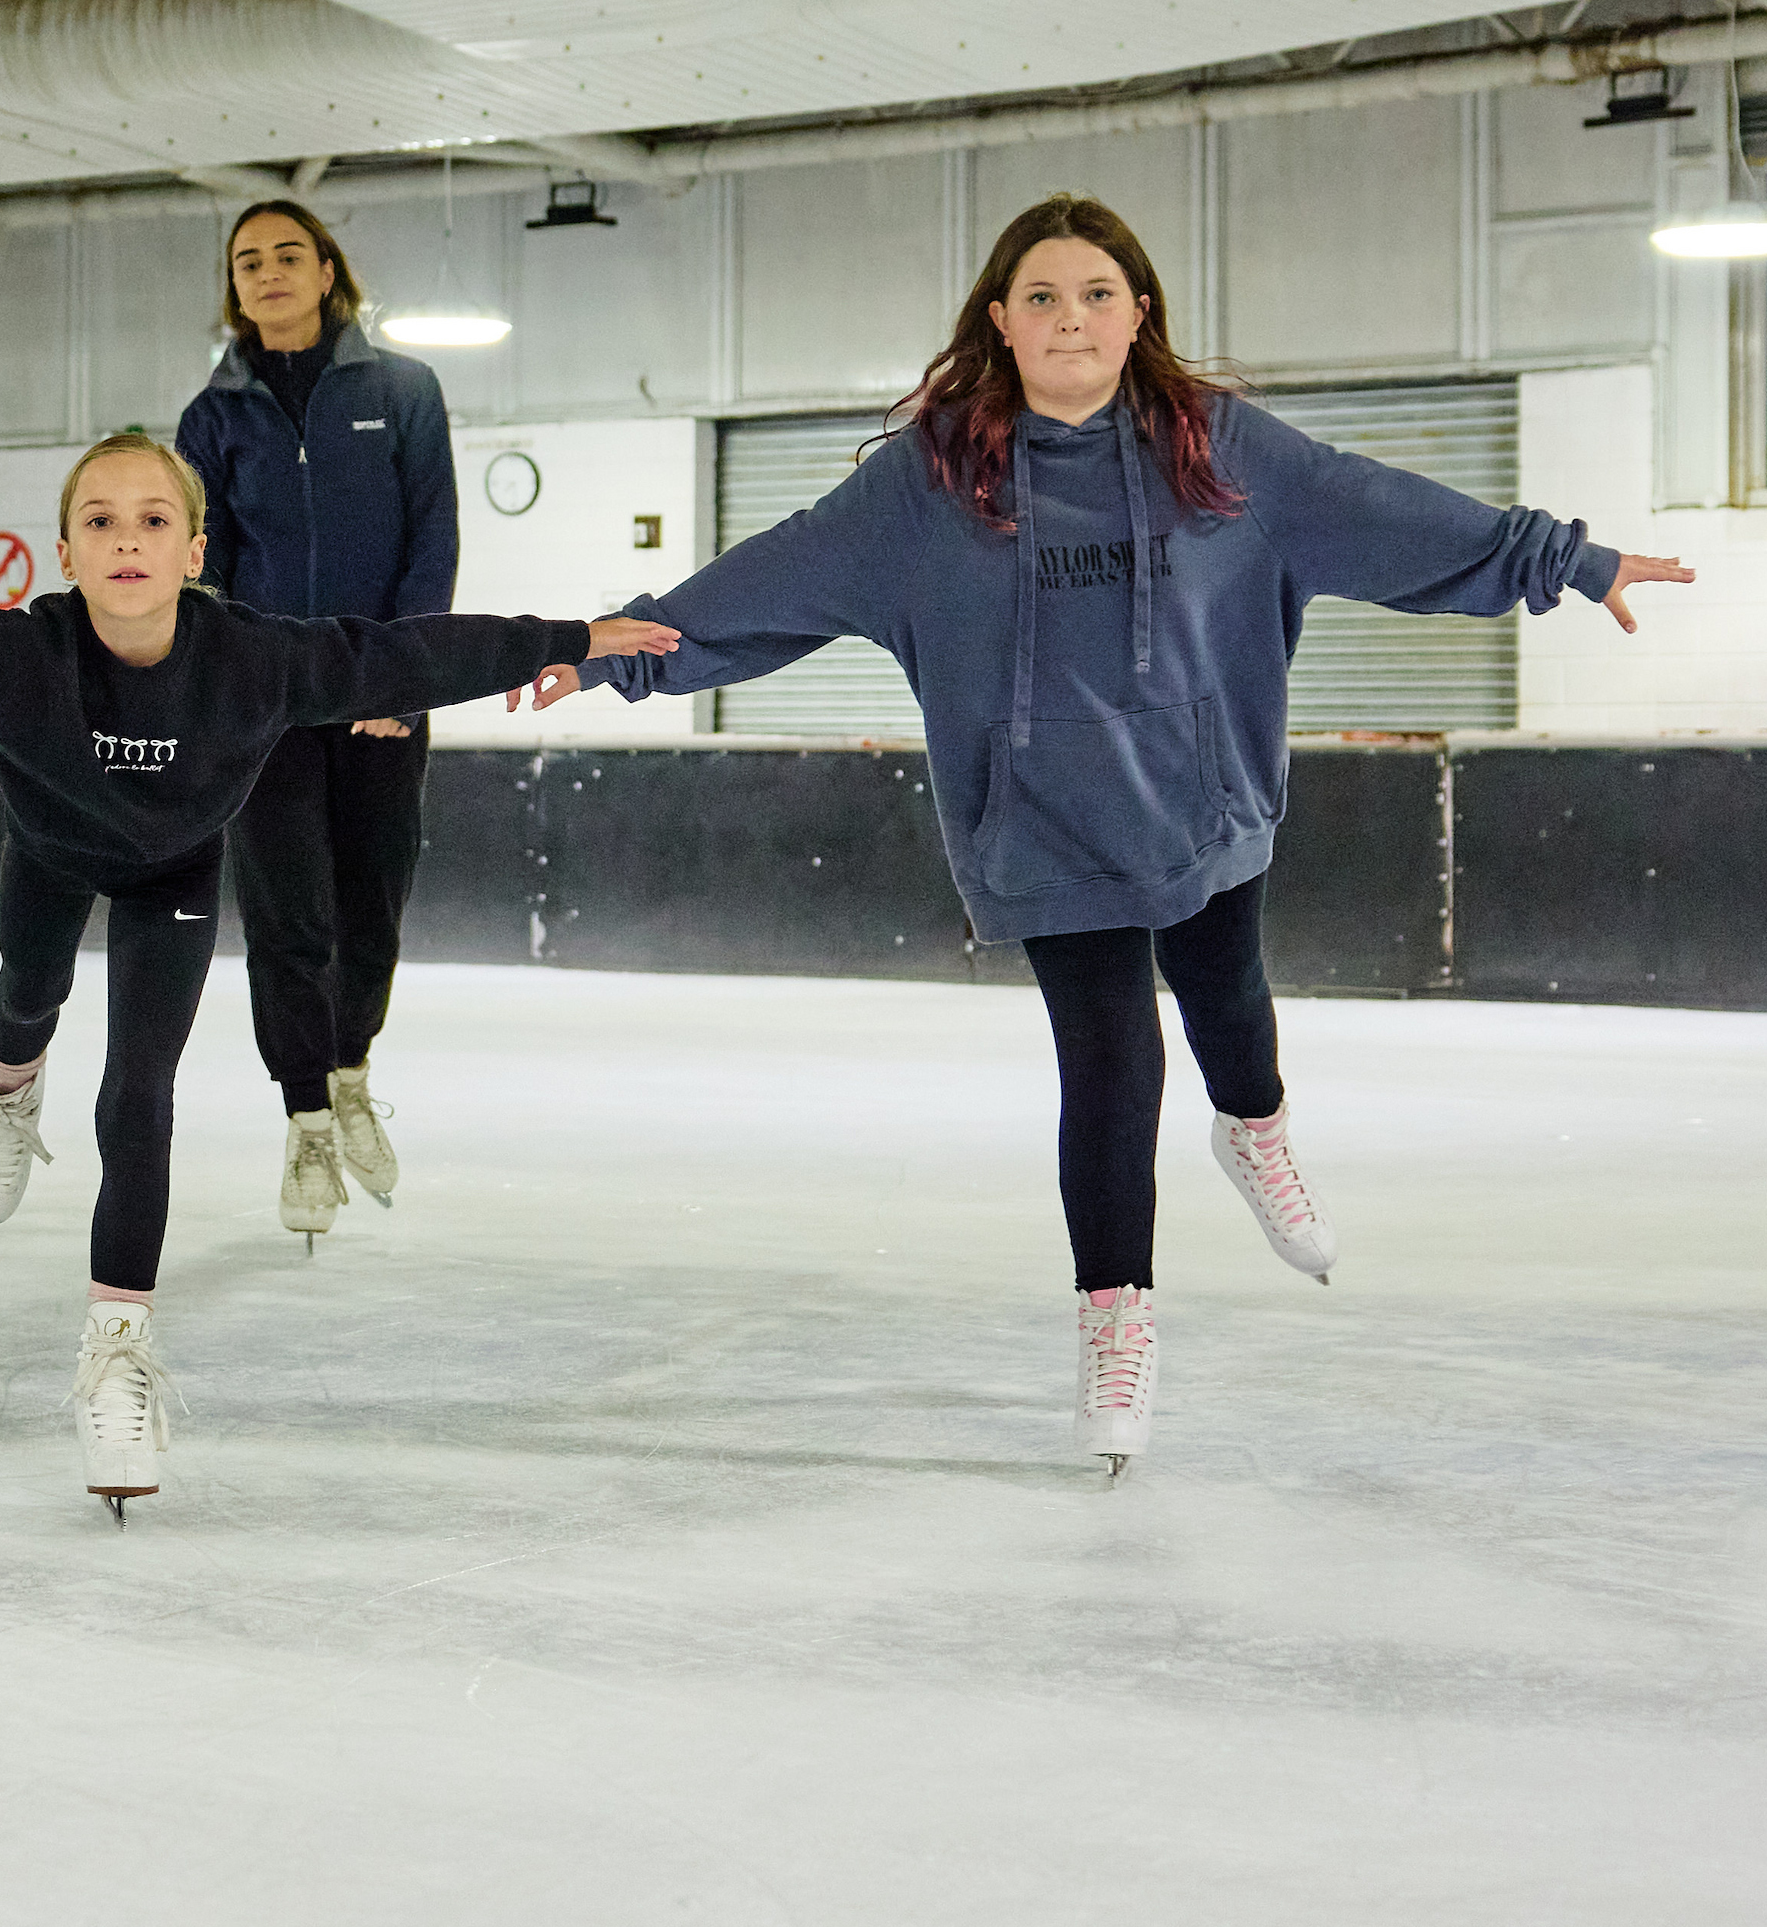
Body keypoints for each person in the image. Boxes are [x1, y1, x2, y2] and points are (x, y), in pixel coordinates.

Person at [512, 193, 1692, 1473]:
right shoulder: (927, 485)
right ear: (1000, 324)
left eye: (1095, 294)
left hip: (1202, 801)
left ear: (1138, 315)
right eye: (1040, 298)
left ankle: (1255, 1131)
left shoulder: (1222, 450)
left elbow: (1385, 513)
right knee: (1113, 1064)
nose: (1069, 317)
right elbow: (769, 580)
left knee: (1229, 1005)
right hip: (1038, 825)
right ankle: (1116, 1318)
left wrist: (1567, 560)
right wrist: (611, 649)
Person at [0, 430, 669, 1514]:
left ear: (195, 550)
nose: (127, 541)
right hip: (51, 857)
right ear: (65, 551)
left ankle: (116, 1351)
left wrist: (570, 636)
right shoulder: (17, 655)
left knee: (139, 1088)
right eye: (100, 521)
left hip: (176, 876)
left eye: (154, 520)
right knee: (27, 998)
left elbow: (405, 654)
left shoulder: (256, 658)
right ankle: (5, 1092)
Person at [172, 195, 457, 1243]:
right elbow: (201, 569)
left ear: (328, 271)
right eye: (248, 261)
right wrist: (220, 689)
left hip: (381, 691)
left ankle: (348, 1070)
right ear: (235, 290)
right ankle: (303, 1120)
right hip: (268, 703)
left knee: (371, 903)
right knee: (287, 921)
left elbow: (432, 541)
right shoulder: (212, 420)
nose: (269, 272)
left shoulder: (405, 392)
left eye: (289, 254)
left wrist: (406, 676)